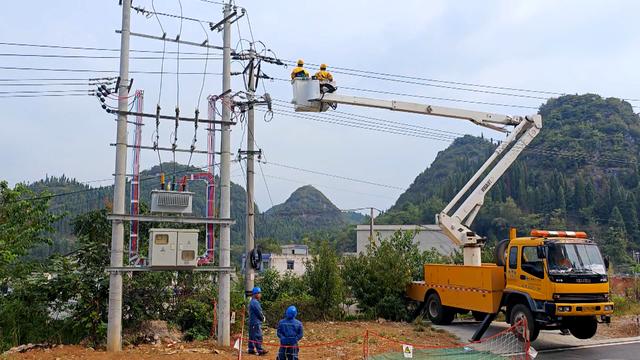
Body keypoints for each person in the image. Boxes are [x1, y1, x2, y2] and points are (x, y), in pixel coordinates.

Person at [248, 287, 268, 356]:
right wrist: (263, 318)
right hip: (255, 322)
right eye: (259, 293)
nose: (260, 295)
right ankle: (260, 350)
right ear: (255, 294)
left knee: (252, 336)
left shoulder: (252, 302)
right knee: (258, 336)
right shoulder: (255, 302)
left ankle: (251, 349)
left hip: (252, 322)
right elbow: (259, 312)